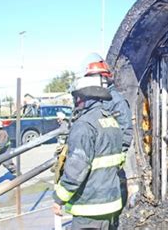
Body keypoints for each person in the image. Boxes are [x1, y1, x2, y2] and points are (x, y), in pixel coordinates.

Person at [52, 76, 126, 229]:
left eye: (77, 97)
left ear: (84, 98)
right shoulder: (111, 121)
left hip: (89, 207)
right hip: (111, 205)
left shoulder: (84, 125)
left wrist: (59, 198)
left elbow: (76, 170)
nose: (76, 102)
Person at [82, 53, 138, 208]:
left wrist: (117, 155)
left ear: (104, 78)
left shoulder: (115, 101)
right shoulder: (96, 99)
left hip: (112, 163)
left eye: (93, 78)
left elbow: (125, 131)